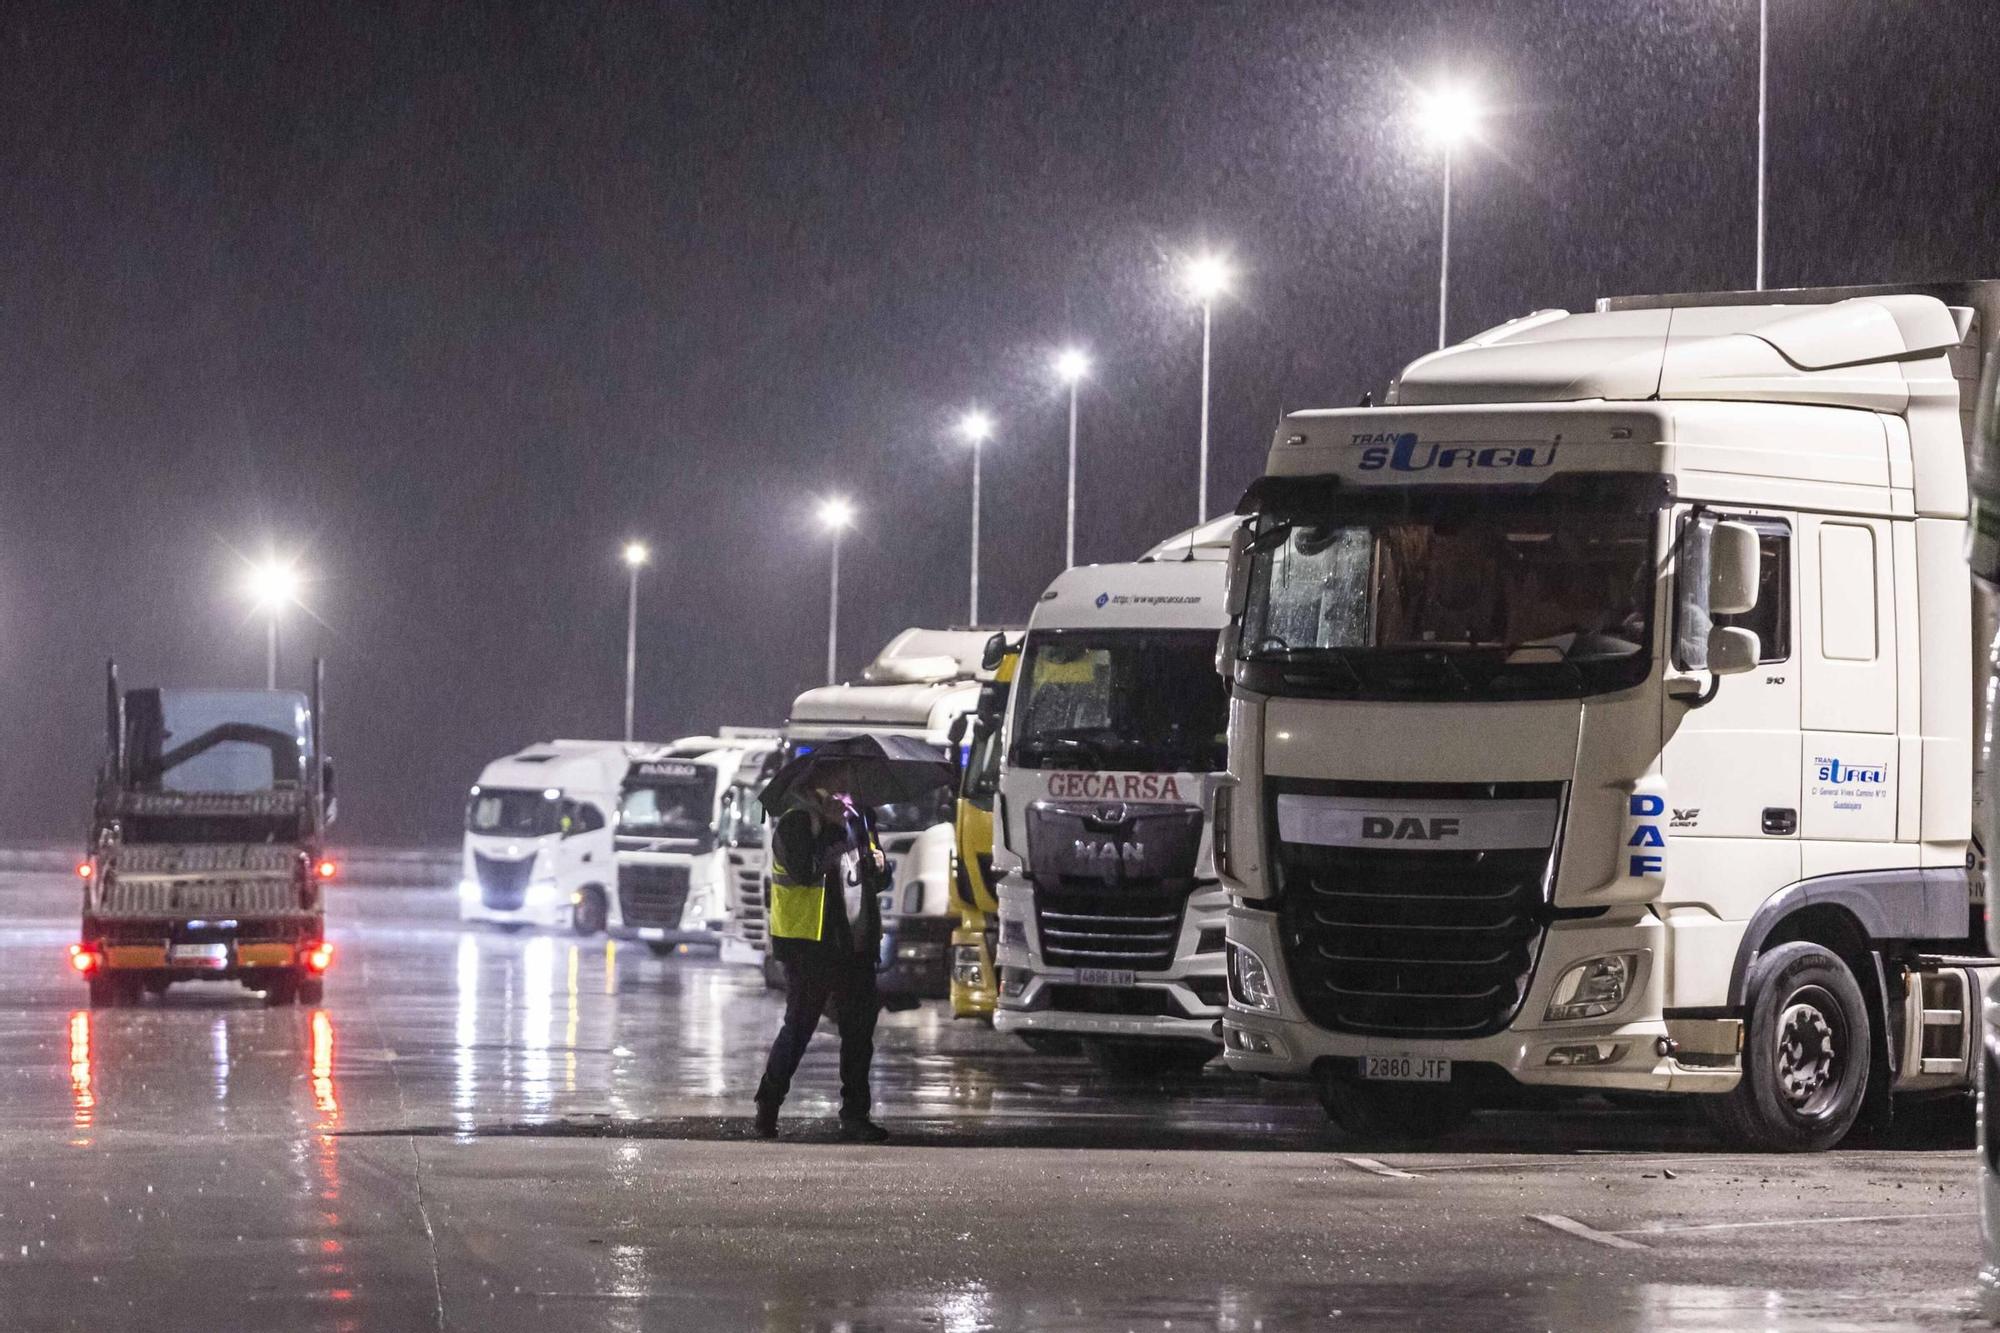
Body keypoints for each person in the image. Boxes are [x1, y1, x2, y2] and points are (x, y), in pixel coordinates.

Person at [753, 783, 891, 1142]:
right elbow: (803, 870)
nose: (843, 794)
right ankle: (768, 1103)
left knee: (859, 1034)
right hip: (810, 946)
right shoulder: (797, 823)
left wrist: (880, 866)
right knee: (799, 1027)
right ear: (815, 789)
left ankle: (856, 1115)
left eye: (847, 786)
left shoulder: (862, 819)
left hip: (856, 944)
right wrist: (832, 830)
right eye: (833, 787)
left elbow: (872, 879)